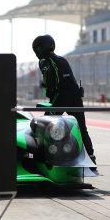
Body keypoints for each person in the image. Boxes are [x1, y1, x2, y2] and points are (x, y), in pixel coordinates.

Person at [32, 34, 96, 166]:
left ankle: (41, 158)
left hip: (61, 95)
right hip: (76, 95)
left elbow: (50, 79)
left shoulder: (44, 60)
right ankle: (91, 158)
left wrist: (48, 88)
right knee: (82, 128)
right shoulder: (62, 59)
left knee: (45, 125)